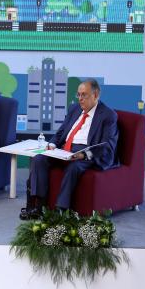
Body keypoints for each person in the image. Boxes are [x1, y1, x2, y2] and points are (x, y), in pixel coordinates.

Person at [20, 79, 119, 219]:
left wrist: (84, 154)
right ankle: (38, 206)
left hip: (85, 153)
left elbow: (107, 146)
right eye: (78, 94)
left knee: (74, 167)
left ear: (96, 95)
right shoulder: (75, 108)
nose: (80, 99)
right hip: (64, 149)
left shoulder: (108, 115)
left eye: (84, 95)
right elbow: (61, 131)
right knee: (39, 159)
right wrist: (52, 144)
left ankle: (61, 210)